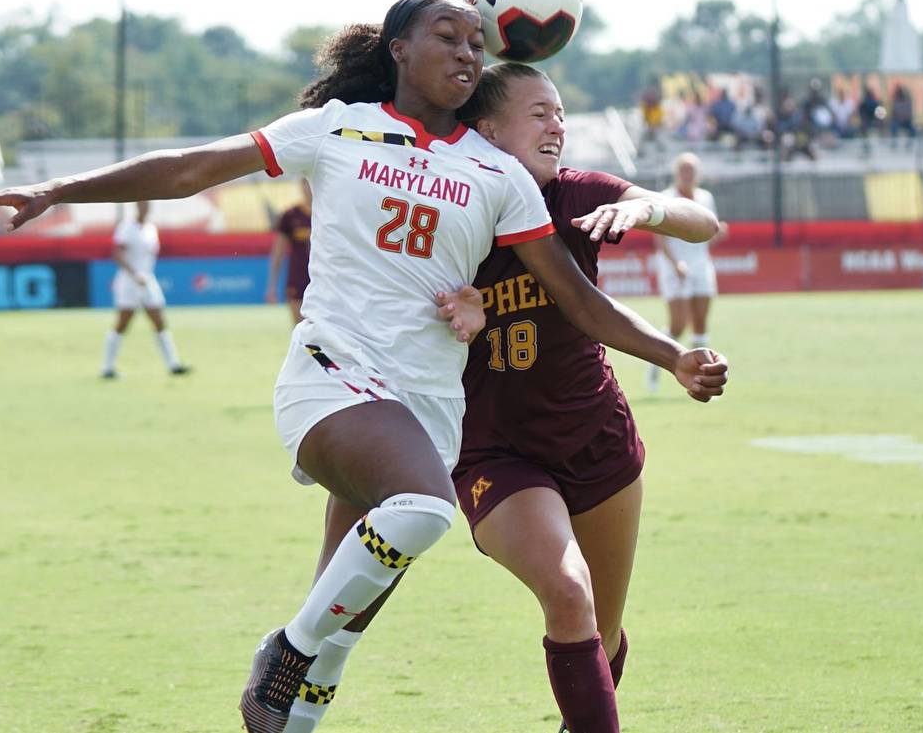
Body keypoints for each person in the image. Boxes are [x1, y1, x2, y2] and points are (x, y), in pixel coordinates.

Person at [0, 0, 729, 733]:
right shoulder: (335, 128)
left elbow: (577, 299)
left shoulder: (499, 176)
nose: (467, 50)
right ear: (398, 49)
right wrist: (58, 187)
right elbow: (190, 168)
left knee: (344, 620)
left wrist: (670, 355)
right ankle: (284, 646)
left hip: (429, 415)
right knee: (422, 514)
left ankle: (298, 685)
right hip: (334, 378)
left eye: (476, 41)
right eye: (447, 37)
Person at [287, 63, 724, 733]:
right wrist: (455, 315)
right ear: (487, 131)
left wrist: (647, 207)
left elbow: (704, 224)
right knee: (568, 593)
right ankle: (304, 671)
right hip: (495, 451)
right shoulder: (447, 201)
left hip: (597, 439)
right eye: (539, 113)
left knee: (601, 639)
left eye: (560, 113)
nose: (557, 125)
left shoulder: (577, 194)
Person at [646, 152, 726, 393]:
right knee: (678, 325)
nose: (687, 175)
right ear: (676, 173)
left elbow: (706, 234)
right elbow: (659, 238)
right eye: (683, 170)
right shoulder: (666, 198)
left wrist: (718, 235)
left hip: (701, 265)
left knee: (700, 323)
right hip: (674, 268)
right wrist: (676, 264)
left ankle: (704, 381)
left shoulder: (705, 198)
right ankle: (655, 365)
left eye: (691, 171)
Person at [101, 200, 189, 377]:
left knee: (159, 321)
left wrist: (143, 275)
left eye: (148, 204)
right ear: (137, 206)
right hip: (129, 282)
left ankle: (173, 364)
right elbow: (117, 254)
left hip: (148, 280)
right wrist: (134, 274)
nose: (145, 207)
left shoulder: (151, 228)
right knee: (123, 323)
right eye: (142, 204)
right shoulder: (127, 227)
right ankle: (107, 367)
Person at [267, 181, 314, 323]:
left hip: (324, 278)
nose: (308, 188)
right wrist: (272, 285)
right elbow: (278, 252)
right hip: (298, 277)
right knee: (299, 326)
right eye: (305, 183)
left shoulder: (329, 213)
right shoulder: (291, 215)